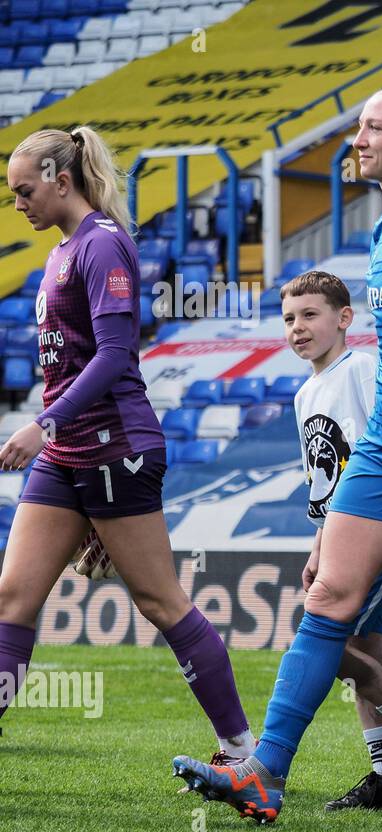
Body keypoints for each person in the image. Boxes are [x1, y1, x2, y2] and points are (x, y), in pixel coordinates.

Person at [172, 87, 382, 823]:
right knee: (328, 598)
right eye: (359, 126)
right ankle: (263, 772)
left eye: (372, 126)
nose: (356, 138)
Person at [0, 126, 253, 760]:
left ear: (62, 179)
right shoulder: (60, 251)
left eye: (25, 190)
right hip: (68, 454)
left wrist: (44, 423)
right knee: (12, 597)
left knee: (159, 601)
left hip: (116, 447)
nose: (19, 203)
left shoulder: (103, 245)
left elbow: (115, 356)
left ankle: (241, 750)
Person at [281, 269, 382, 811]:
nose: (297, 328)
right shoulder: (306, 393)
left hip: (380, 527)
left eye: (310, 315)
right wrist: (319, 542)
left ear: (344, 318)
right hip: (340, 534)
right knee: (362, 647)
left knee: (328, 640)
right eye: (288, 319)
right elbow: (324, 479)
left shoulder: (366, 370)